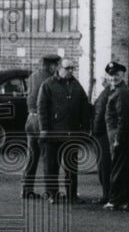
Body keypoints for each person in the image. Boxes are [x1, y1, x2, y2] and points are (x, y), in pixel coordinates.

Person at [37, 57, 91, 204]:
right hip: (53, 134)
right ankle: (52, 194)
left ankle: (72, 195)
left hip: (72, 133)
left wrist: (85, 128)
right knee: (51, 166)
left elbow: (84, 108)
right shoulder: (47, 85)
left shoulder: (76, 86)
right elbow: (42, 109)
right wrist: (44, 130)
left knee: (71, 167)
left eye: (72, 68)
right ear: (59, 69)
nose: (70, 71)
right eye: (68, 68)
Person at [22, 54, 61, 200]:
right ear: (51, 65)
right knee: (48, 157)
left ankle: (26, 189)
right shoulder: (51, 80)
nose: (57, 68)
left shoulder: (33, 76)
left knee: (31, 156)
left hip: (30, 119)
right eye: (57, 65)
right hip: (42, 121)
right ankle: (49, 192)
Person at [103, 62, 129, 211]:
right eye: (111, 75)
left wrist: (118, 139)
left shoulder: (122, 92)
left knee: (118, 168)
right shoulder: (120, 90)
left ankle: (115, 200)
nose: (114, 78)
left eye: (117, 74)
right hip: (126, 135)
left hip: (122, 135)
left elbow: (124, 118)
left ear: (123, 75)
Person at [91, 73, 113, 205]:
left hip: (102, 134)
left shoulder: (105, 94)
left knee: (104, 165)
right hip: (106, 133)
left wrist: (95, 132)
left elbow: (99, 115)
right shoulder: (109, 92)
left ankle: (107, 194)